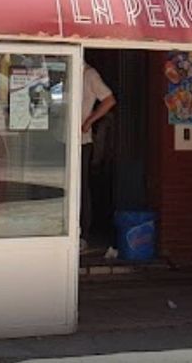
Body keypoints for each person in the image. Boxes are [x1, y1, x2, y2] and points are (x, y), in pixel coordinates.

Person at [80, 63, 116, 249]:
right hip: (61, 139)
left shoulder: (89, 74)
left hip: (81, 140)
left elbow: (109, 99)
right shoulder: (63, 70)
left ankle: (83, 234)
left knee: (81, 188)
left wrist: (89, 121)